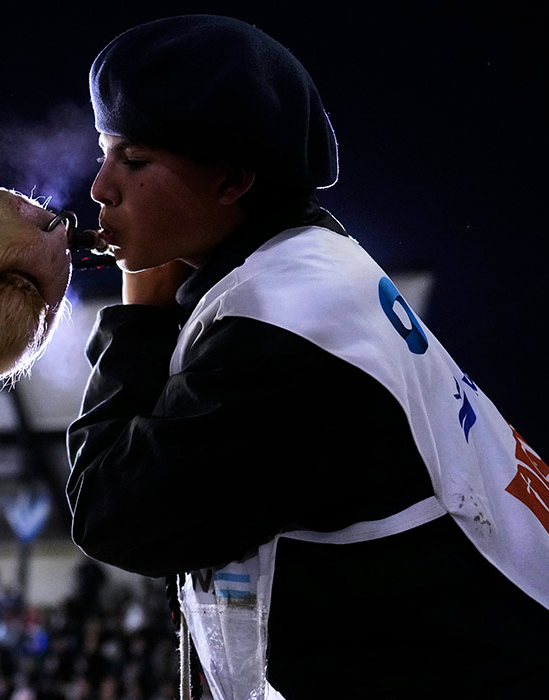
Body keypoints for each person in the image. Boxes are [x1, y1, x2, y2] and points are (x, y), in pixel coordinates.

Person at [65, 15, 549, 700]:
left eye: (134, 161)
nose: (100, 189)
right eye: (103, 153)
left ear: (232, 180)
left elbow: (113, 514)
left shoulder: (285, 330)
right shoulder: (307, 271)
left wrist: (139, 320)